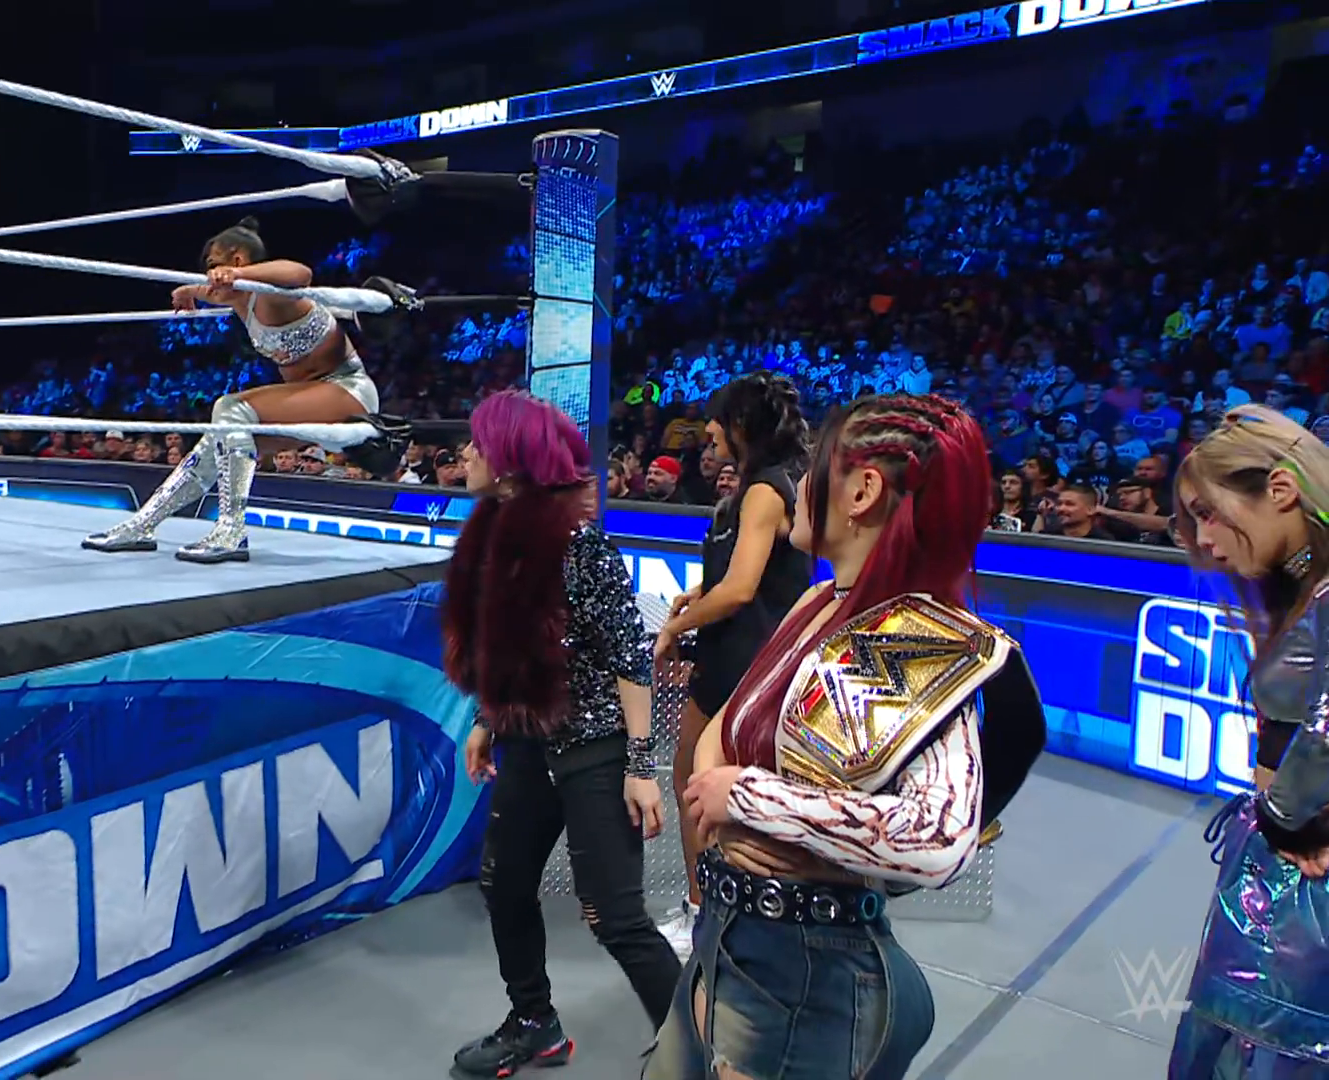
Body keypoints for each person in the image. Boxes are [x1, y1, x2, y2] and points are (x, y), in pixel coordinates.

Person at [645, 394, 1045, 1080]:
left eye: (815, 467)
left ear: (861, 492)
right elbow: (728, 729)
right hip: (735, 937)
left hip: (801, 974)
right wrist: (725, 789)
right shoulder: (819, 601)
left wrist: (751, 799)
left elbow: (935, 838)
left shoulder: (916, 642)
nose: (800, 484)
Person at [440, 391, 680, 1077]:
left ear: (511, 460)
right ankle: (533, 1022)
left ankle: (703, 1050)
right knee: (504, 884)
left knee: (616, 917)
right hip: (526, 739)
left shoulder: (579, 545)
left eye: (479, 443)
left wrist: (641, 766)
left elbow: (629, 658)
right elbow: (505, 649)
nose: (466, 454)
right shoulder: (489, 537)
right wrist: (487, 720)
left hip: (595, 747)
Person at [1167, 405, 1329, 1079]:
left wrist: (1290, 817)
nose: (1205, 541)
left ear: (1282, 489)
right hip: (1278, 889)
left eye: (1208, 514)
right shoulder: (1305, 584)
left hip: (1301, 903)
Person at [82, 217, 380, 563]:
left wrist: (237, 275)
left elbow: (301, 273)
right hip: (312, 399)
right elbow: (209, 290)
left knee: (230, 407)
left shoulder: (270, 295)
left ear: (237, 260)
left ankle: (231, 530)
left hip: (347, 392)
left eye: (213, 265)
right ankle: (141, 525)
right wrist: (188, 291)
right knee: (216, 442)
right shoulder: (239, 299)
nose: (209, 276)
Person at [652, 371, 810, 954]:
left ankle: (712, 917)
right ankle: (709, 910)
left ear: (741, 425)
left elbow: (743, 590)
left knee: (702, 785)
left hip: (746, 662)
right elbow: (742, 576)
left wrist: (675, 627)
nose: (709, 431)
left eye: (717, 421)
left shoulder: (767, 491)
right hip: (731, 657)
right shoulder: (756, 489)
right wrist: (698, 596)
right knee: (694, 780)